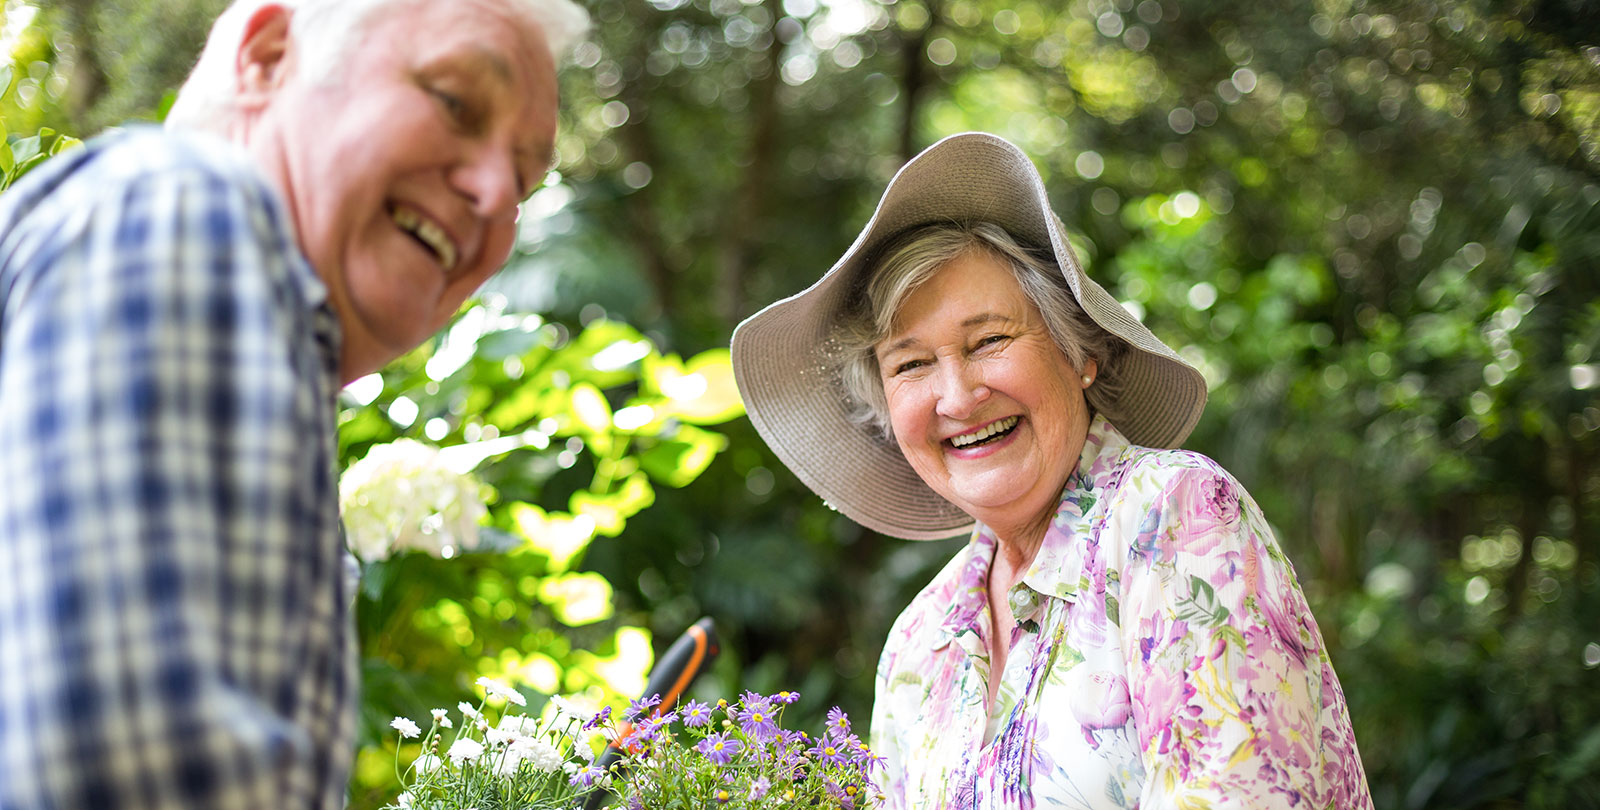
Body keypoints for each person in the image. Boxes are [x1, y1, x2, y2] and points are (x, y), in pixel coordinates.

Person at [0, 0, 586, 806]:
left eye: (523, 179)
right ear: (268, 57)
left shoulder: (254, 320)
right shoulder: (188, 210)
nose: (493, 195)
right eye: (454, 102)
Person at [731, 132, 1372, 809]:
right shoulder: (921, 641)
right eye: (912, 364)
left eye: (990, 341)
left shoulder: (1171, 516)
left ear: (1082, 353)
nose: (956, 398)